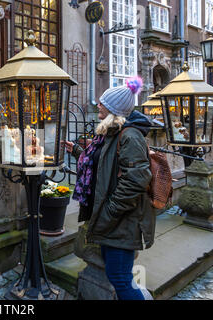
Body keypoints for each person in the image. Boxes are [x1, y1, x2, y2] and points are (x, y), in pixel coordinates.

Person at [64, 77, 155, 300]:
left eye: (103, 102)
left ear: (114, 109)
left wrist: (109, 212)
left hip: (123, 222)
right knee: (118, 276)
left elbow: (136, 180)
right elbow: (102, 165)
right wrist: (77, 151)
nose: (98, 104)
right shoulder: (111, 132)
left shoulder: (130, 135)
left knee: (120, 279)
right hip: (113, 221)